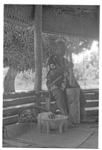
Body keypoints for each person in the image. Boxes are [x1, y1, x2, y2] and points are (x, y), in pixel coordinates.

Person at [46, 41, 70, 116]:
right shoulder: (51, 59)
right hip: (53, 84)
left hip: (64, 84)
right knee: (59, 95)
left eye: (64, 48)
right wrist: (66, 67)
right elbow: (53, 73)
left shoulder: (65, 61)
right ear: (56, 49)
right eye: (61, 48)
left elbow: (68, 74)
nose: (63, 50)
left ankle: (52, 110)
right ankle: (65, 117)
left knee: (75, 93)